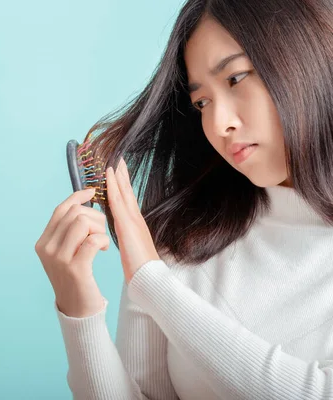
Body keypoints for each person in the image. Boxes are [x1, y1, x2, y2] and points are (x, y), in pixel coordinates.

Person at [34, 0, 333, 398]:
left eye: (236, 78)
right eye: (201, 103)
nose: (219, 123)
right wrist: (79, 308)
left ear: (307, 58)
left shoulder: (151, 270)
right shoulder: (183, 241)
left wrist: (153, 283)